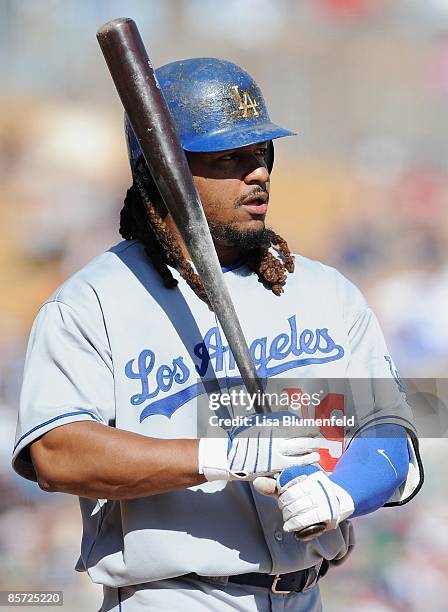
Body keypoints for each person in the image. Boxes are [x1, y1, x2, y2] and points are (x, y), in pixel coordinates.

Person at [13, 58, 423, 612]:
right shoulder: (92, 304)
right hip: (172, 598)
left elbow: (391, 426)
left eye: (261, 154)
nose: (258, 173)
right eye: (229, 158)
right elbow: (57, 454)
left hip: (308, 596)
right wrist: (218, 454)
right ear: (166, 172)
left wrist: (344, 490)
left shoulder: (326, 293)